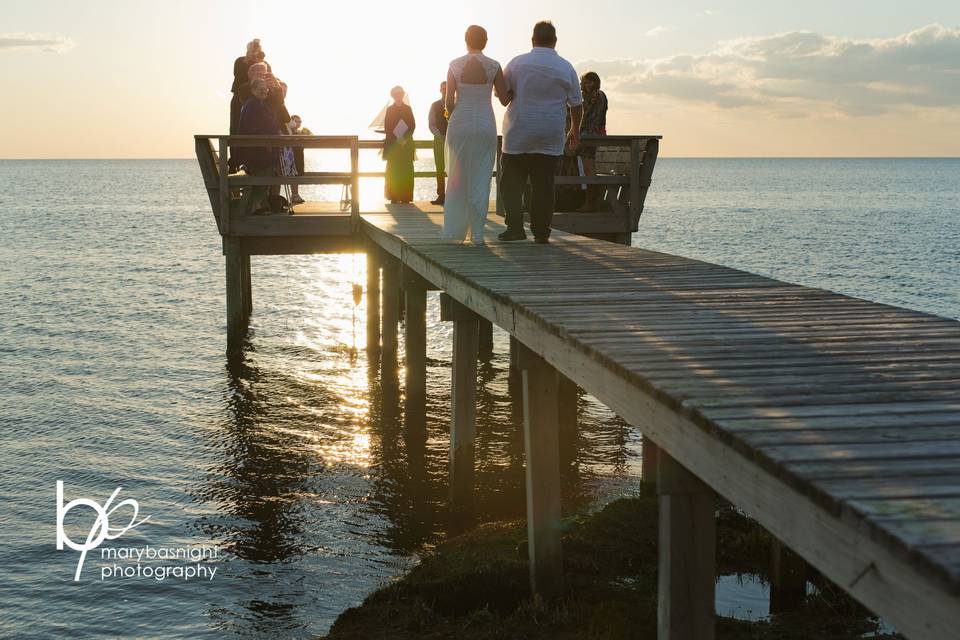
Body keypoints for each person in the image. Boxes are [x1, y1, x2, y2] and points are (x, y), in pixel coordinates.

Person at [499, 21, 582, 244]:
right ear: (555, 41)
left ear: (532, 40)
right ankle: (542, 232)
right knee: (544, 185)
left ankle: (515, 227)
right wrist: (575, 129)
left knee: (511, 183)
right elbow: (576, 103)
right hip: (550, 134)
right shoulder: (566, 67)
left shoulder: (517, 63)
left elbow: (503, 95)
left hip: (519, 132)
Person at [441, 25, 511, 244]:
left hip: (460, 123)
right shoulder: (494, 66)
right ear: (486, 41)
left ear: (465, 40)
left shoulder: (454, 65)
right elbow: (504, 99)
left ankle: (455, 232)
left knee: (457, 177)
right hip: (484, 123)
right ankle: (478, 235)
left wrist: (452, 115)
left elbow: (449, 102)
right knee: (481, 177)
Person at [235, 77, 281, 214]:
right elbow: (254, 128)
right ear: (253, 90)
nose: (264, 91)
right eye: (260, 89)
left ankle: (255, 207)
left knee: (266, 177)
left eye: (265, 89)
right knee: (262, 178)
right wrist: (269, 138)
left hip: (262, 151)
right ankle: (252, 209)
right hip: (256, 153)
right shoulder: (251, 105)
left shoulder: (261, 104)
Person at [576, 71, 609, 212]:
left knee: (589, 170)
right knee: (587, 170)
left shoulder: (597, 96)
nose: (586, 85)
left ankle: (590, 203)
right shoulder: (590, 97)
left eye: (589, 82)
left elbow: (590, 118)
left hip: (591, 137)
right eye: (585, 82)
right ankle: (590, 202)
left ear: (596, 82)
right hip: (589, 136)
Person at [382, 86, 416, 204]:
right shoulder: (389, 110)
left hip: (406, 145)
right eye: (395, 93)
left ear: (402, 94)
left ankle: (406, 196)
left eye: (400, 93)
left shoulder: (408, 109)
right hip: (393, 145)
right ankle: (394, 196)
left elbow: (412, 125)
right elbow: (387, 127)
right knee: (393, 170)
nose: (398, 95)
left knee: (406, 170)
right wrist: (397, 139)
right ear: (392, 95)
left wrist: (404, 139)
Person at [230, 39, 263, 135]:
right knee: (236, 124)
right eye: (252, 50)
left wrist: (260, 62)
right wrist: (247, 61)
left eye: (257, 51)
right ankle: (235, 148)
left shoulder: (262, 64)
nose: (254, 53)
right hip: (239, 97)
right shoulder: (240, 61)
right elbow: (238, 75)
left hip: (257, 98)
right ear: (247, 50)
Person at [428, 81, 448, 205]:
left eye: (447, 88)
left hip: (453, 141)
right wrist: (440, 136)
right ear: (440, 90)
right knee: (440, 169)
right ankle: (441, 195)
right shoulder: (434, 105)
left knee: (455, 169)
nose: (445, 90)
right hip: (439, 140)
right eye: (443, 89)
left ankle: (454, 196)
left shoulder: (457, 104)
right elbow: (431, 124)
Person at [287, 115, 312, 204]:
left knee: (298, 174)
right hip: (292, 156)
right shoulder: (289, 132)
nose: (298, 123)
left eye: (299, 122)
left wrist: (306, 135)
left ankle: (295, 194)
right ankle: (294, 195)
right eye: (296, 121)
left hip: (299, 155)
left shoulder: (300, 132)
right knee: (294, 175)